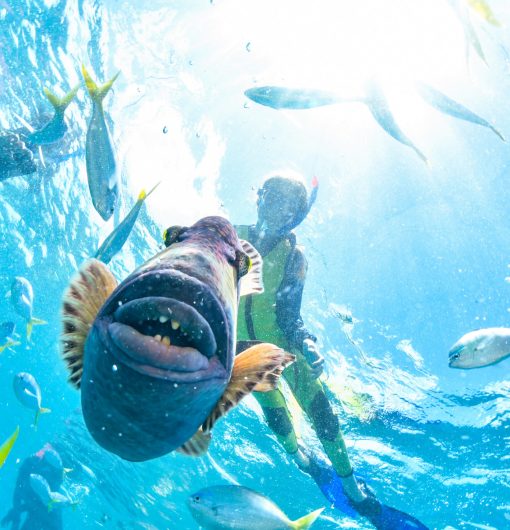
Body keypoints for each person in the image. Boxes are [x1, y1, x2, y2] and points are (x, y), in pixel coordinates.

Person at [234, 173, 426, 529]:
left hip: (284, 348)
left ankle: (350, 483)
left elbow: (291, 315)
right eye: (273, 197)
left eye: (288, 206)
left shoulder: (293, 255)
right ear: (259, 197)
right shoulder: (230, 238)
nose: (277, 209)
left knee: (321, 413)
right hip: (244, 354)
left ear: (297, 216)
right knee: (275, 417)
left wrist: (307, 344)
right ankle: (300, 458)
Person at [1, 443, 65, 530]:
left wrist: (18, 509)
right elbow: (18, 488)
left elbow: (44, 502)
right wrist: (16, 512)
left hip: (49, 515)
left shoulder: (54, 474)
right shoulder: (29, 462)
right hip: (35, 511)